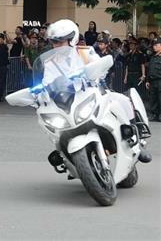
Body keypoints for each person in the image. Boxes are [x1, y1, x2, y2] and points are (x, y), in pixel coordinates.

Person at [45, 19, 152, 163]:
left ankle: (134, 139)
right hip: (67, 101)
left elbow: (99, 65)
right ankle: (62, 152)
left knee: (122, 100)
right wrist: (40, 94)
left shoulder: (84, 52)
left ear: (72, 39)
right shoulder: (49, 62)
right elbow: (46, 82)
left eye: (61, 41)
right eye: (54, 41)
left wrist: (96, 71)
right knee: (51, 121)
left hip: (92, 92)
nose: (57, 45)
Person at [145, 38, 161, 122]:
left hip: (160, 80)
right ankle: (154, 115)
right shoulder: (153, 57)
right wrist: (147, 80)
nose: (154, 47)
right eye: (153, 45)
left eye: (156, 45)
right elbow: (150, 69)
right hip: (153, 81)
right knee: (153, 99)